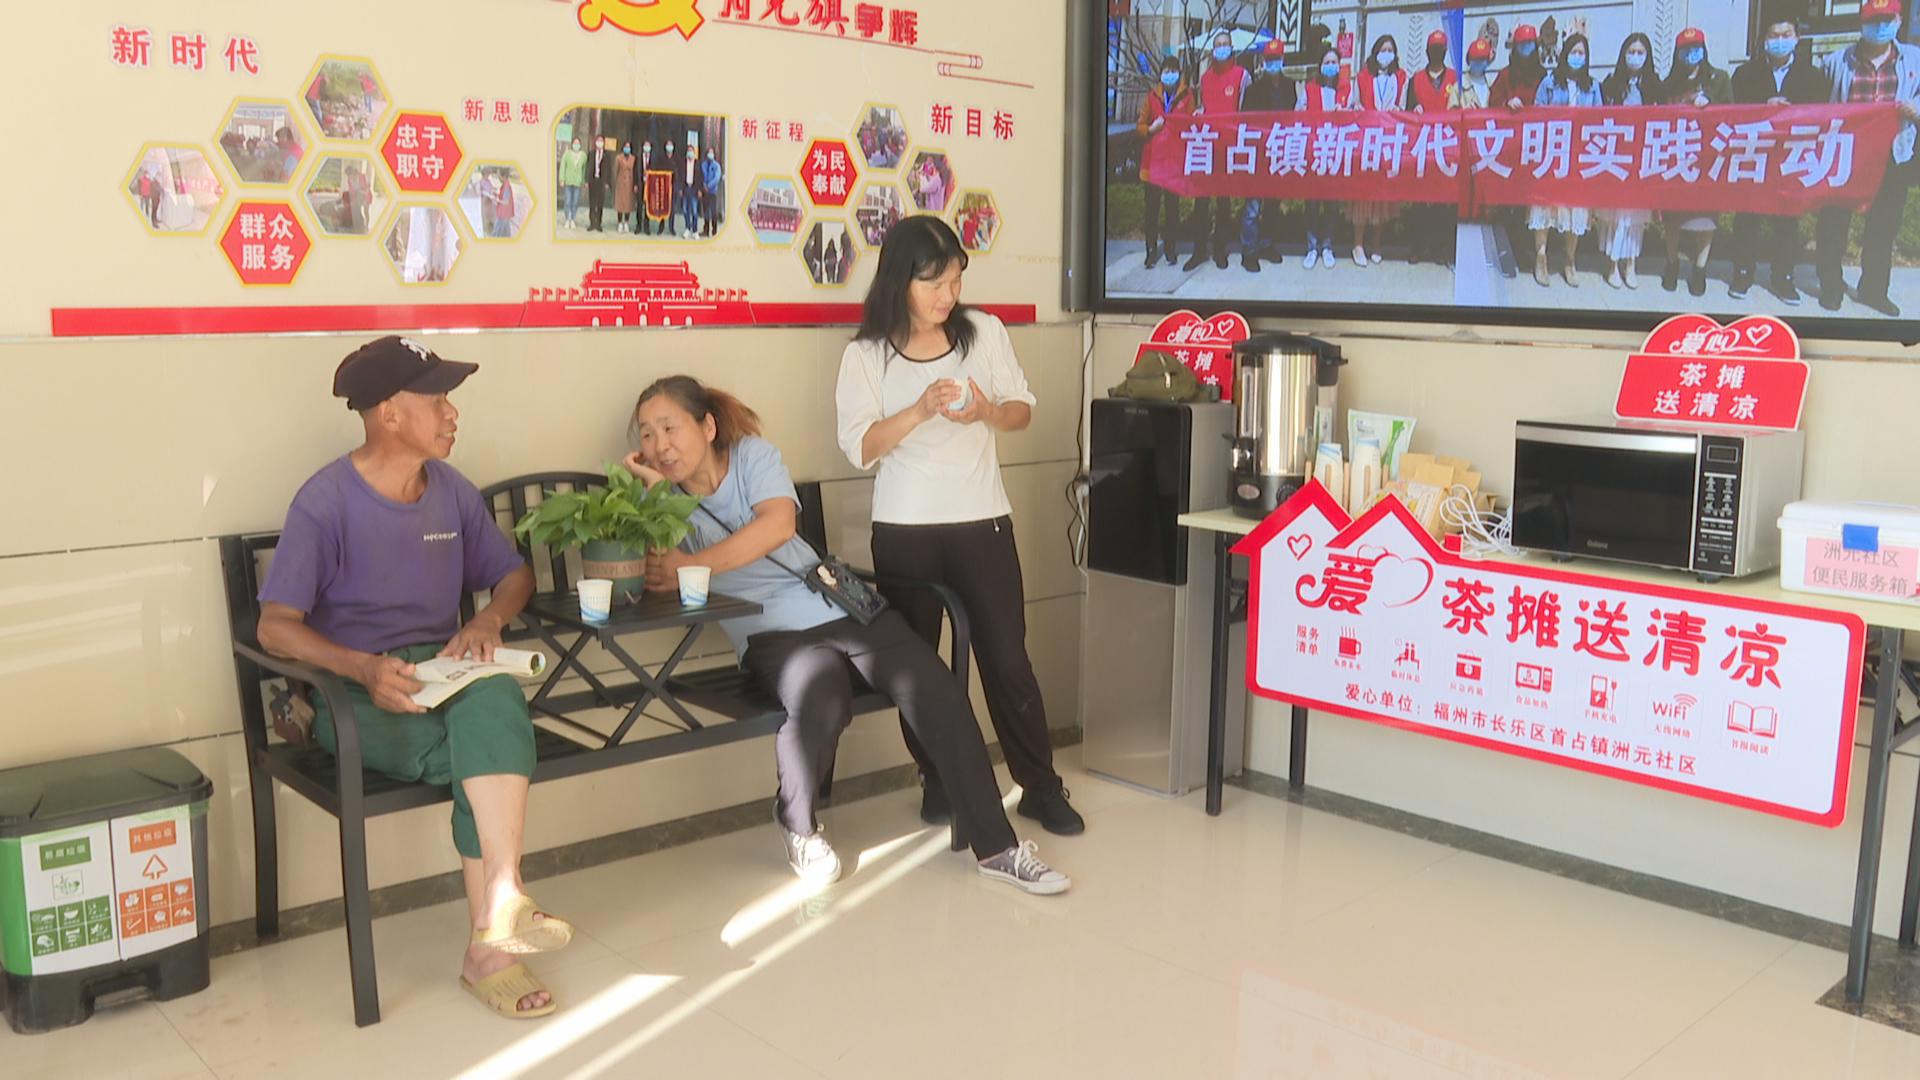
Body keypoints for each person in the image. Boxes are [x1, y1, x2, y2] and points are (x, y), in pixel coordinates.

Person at [623, 377, 1071, 894]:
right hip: (769, 630)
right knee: (821, 694)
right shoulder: (660, 498)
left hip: (837, 605)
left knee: (934, 686)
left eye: (669, 428)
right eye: (647, 435)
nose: (660, 445)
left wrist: (694, 566)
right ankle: (798, 825)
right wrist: (655, 499)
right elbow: (662, 577)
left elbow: (777, 527)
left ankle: (998, 848)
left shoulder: (752, 457)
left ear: (707, 426)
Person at [255, 336, 571, 1020]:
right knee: (488, 748)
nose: (453, 412)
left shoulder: (451, 490)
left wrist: (487, 620)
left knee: (493, 693)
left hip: (446, 674)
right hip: (360, 693)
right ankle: (493, 936)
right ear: (390, 414)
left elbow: (513, 576)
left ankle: (501, 908)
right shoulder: (324, 502)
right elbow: (274, 627)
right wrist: (362, 667)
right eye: (437, 399)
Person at [835, 215, 1087, 837]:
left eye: (954, 281)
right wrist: (920, 409)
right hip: (904, 529)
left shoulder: (984, 333)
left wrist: (985, 412)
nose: (947, 296)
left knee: (1006, 658)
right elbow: (861, 447)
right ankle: (938, 779)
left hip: (982, 522)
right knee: (920, 666)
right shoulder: (865, 354)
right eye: (934, 284)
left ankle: (1039, 786)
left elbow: (1021, 412)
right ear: (900, 281)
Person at [1817, 0, 1920, 317]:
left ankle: (1874, 291)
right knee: (1833, 223)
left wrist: (1916, 110)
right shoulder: (1836, 60)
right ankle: (1831, 287)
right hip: (1845, 153)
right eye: (1874, 20)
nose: (1881, 26)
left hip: (1892, 154)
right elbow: (1818, 102)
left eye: (1887, 20)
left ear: (1898, 20)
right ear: (1861, 24)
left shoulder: (1914, 58)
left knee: (1883, 226)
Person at [1730, 11, 1825, 306]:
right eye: (1774, 36)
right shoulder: (1745, 74)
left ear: (1797, 38)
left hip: (1792, 156)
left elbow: (1820, 113)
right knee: (1747, 217)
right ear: (1764, 40)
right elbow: (1733, 112)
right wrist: (1764, 106)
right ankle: (1743, 272)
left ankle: (1783, 277)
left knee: (1787, 220)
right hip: (1755, 154)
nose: (1779, 41)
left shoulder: (1812, 75)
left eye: (1786, 35)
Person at [1658, 28, 1730, 296]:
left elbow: (1733, 113)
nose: (1691, 54)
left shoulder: (1719, 79)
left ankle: (1700, 269)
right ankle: (1672, 263)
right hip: (1677, 155)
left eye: (1696, 48)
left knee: (1705, 217)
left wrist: (1710, 105)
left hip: (1707, 158)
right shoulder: (1669, 83)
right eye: (1686, 50)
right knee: (1673, 217)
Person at [1530, 33, 1602, 288]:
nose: (1577, 57)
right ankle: (1541, 258)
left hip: (1579, 156)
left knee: (1575, 209)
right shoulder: (1549, 82)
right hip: (1552, 153)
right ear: (1564, 54)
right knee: (1546, 207)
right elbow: (1536, 112)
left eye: (1582, 53)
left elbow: (1600, 119)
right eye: (1573, 52)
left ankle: (1569, 260)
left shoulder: (1593, 86)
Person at [1596, 33, 1662, 290]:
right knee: (1615, 213)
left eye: (1640, 52)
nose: (1635, 57)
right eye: (1631, 52)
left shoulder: (1655, 85)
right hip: (1616, 155)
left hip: (1642, 156)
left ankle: (1631, 263)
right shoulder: (1611, 83)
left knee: (1635, 215)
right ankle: (1612, 264)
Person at [1187, 30, 1250, 272]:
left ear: (1231, 48)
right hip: (1206, 146)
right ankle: (1199, 250)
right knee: (1201, 202)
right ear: (1213, 50)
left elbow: (1245, 111)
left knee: (1224, 202)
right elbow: (1204, 106)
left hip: (1227, 148)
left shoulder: (1242, 76)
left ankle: (1220, 250)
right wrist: (1199, 112)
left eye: (1225, 44)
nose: (1222, 48)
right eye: (1218, 44)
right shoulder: (1205, 78)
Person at [1345, 35, 1407, 267]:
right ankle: (1358, 244)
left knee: (1382, 195)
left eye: (1390, 50)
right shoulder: (1362, 77)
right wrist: (1358, 108)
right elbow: (1353, 103)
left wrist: (1397, 110)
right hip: (1366, 140)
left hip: (1389, 140)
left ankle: (1376, 243)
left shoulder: (1401, 77)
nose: (1386, 54)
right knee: (1363, 194)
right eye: (1383, 49)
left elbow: (1404, 106)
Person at [1239, 40, 1297, 272]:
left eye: (1277, 59)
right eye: (1269, 59)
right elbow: (1245, 121)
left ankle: (1267, 244)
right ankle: (1249, 251)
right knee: (1253, 207)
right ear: (1264, 61)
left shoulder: (1290, 86)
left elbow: (1295, 116)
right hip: (1259, 153)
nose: (1273, 63)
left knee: (1273, 203)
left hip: (1279, 152)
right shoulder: (1254, 89)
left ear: (1283, 59)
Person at [1404, 29, 1459, 267]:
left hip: (1447, 148)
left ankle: (1440, 248)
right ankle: (1418, 246)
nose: (1436, 52)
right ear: (1427, 51)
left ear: (1445, 51)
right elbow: (1407, 111)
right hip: (1422, 147)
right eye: (1433, 49)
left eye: (1440, 49)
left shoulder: (1455, 78)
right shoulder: (1415, 79)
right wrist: (1414, 109)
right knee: (1419, 200)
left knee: (1443, 201)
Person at [1136, 55, 1193, 270]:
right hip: (1153, 162)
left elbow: (1192, 124)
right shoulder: (1152, 97)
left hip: (1174, 162)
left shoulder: (1187, 96)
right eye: (1166, 71)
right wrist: (1150, 129)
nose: (1170, 74)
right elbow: (1140, 126)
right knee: (1151, 209)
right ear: (1161, 74)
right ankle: (1150, 251)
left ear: (1179, 73)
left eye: (1173, 71)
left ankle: (1170, 249)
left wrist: (1196, 116)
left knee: (1172, 208)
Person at [1297, 46, 1349, 269]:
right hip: (1315, 151)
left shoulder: (1346, 89)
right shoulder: (1310, 89)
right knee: (1312, 202)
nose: (1330, 66)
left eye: (1333, 62)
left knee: (1331, 203)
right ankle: (1312, 247)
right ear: (1320, 66)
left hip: (1335, 151)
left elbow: (1357, 115)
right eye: (1326, 62)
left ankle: (1327, 246)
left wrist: (1346, 113)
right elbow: (1297, 115)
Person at [558, 136, 586, 230]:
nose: (576, 145)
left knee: (575, 201)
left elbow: (584, 169)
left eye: (578, 143)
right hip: (568, 181)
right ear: (572, 144)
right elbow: (563, 166)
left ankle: (572, 219)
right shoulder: (567, 154)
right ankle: (567, 219)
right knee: (568, 201)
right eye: (575, 143)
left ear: (580, 145)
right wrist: (562, 179)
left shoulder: (583, 155)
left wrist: (583, 181)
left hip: (578, 182)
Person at [614, 142, 638, 233]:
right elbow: (615, 171)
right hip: (620, 183)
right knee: (620, 204)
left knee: (628, 204)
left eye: (628, 147)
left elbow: (635, 171)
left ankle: (626, 222)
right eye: (625, 147)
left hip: (630, 184)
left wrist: (635, 184)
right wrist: (615, 182)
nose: (627, 148)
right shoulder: (618, 158)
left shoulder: (633, 158)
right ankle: (620, 222)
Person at [587, 138, 609, 233]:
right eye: (598, 141)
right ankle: (592, 223)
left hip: (601, 181)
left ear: (603, 143)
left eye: (601, 141)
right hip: (593, 180)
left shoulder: (606, 155)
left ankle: (599, 223)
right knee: (592, 203)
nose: (599, 143)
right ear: (595, 142)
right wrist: (587, 181)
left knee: (600, 203)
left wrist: (607, 182)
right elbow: (588, 167)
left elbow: (609, 169)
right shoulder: (591, 153)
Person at [700, 149, 723, 237]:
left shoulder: (716, 165)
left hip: (712, 191)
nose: (710, 154)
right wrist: (704, 185)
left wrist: (708, 186)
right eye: (709, 152)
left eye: (712, 152)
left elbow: (717, 178)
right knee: (705, 211)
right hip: (704, 191)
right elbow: (701, 176)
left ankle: (714, 231)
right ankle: (706, 230)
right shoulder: (703, 164)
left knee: (713, 212)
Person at [490, 169, 516, 238]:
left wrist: (496, 200)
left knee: (496, 234)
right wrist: (496, 194)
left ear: (503, 176)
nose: (498, 177)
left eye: (499, 176)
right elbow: (503, 196)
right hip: (504, 214)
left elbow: (506, 202)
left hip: (503, 215)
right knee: (506, 234)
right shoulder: (505, 184)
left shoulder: (506, 186)